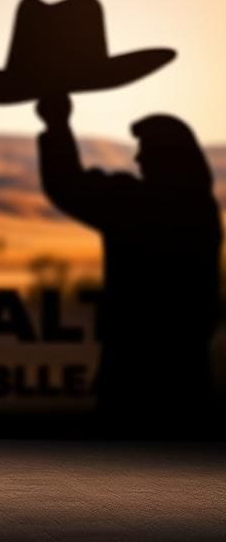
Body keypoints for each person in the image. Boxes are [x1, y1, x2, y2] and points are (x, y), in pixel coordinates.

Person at [36, 93, 222, 435]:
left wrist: (57, 125)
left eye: (147, 150)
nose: (138, 158)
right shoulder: (201, 211)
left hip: (134, 367)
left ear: (167, 159)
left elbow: (68, 186)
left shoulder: (138, 205)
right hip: (186, 368)